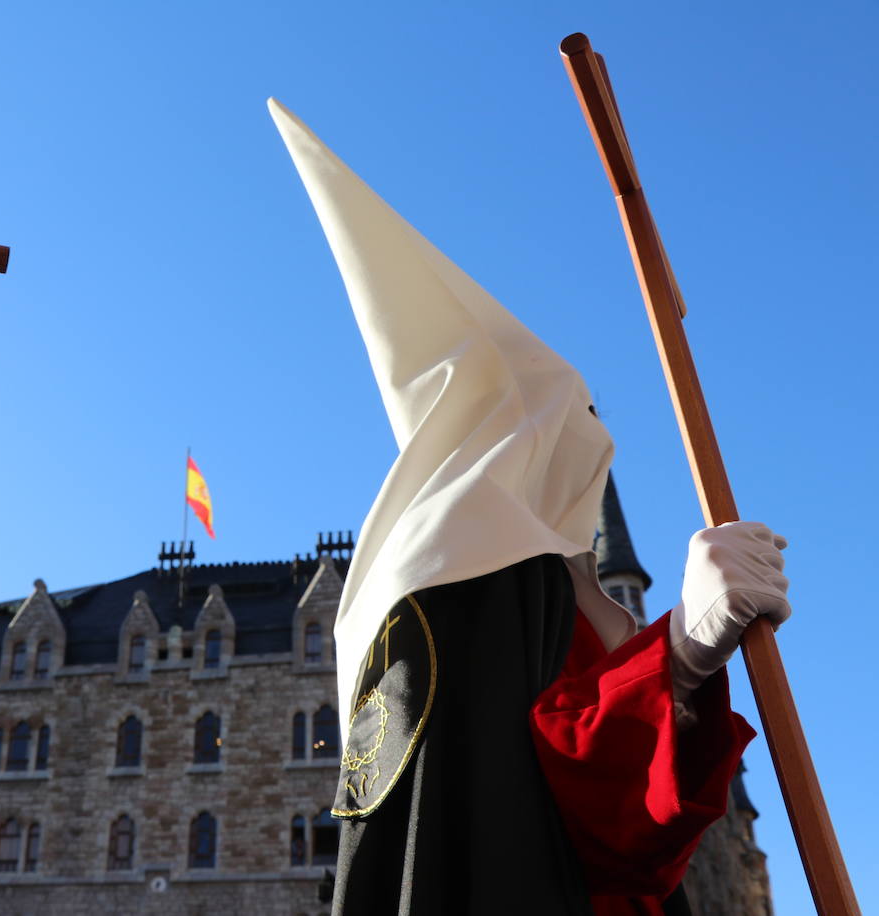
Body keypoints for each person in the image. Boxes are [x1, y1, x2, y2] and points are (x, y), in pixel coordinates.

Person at [270, 98, 788, 915]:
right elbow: (579, 797)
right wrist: (683, 654)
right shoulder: (502, 580)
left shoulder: (415, 576)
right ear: (534, 437)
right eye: (578, 426)